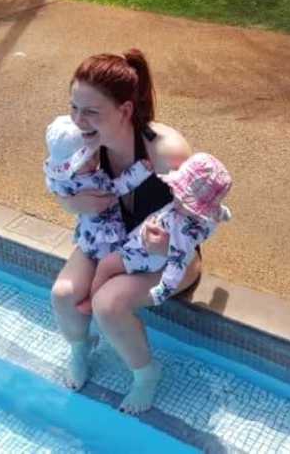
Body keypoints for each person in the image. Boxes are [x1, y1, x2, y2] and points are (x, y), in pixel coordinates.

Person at [49, 48, 201, 415]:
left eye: (91, 112)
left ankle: (146, 374)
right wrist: (75, 205)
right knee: (63, 294)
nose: (78, 121)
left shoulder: (166, 152)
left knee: (109, 304)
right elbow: (61, 188)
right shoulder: (80, 144)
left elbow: (199, 220)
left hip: (168, 255)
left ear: (125, 110)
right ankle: (81, 348)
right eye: (74, 108)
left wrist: (168, 243)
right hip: (107, 242)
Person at [80, 152, 232, 310]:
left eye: (181, 196)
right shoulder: (201, 217)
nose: (174, 194)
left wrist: (161, 292)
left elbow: (176, 265)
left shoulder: (183, 232)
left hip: (146, 254)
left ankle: (92, 301)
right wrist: (222, 213)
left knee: (106, 266)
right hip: (147, 246)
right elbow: (216, 213)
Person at [43, 114, 154, 261]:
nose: (95, 161)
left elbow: (51, 186)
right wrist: (139, 171)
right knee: (112, 262)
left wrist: (68, 200)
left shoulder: (57, 178)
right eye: (93, 156)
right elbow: (118, 187)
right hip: (106, 238)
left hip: (86, 236)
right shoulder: (92, 182)